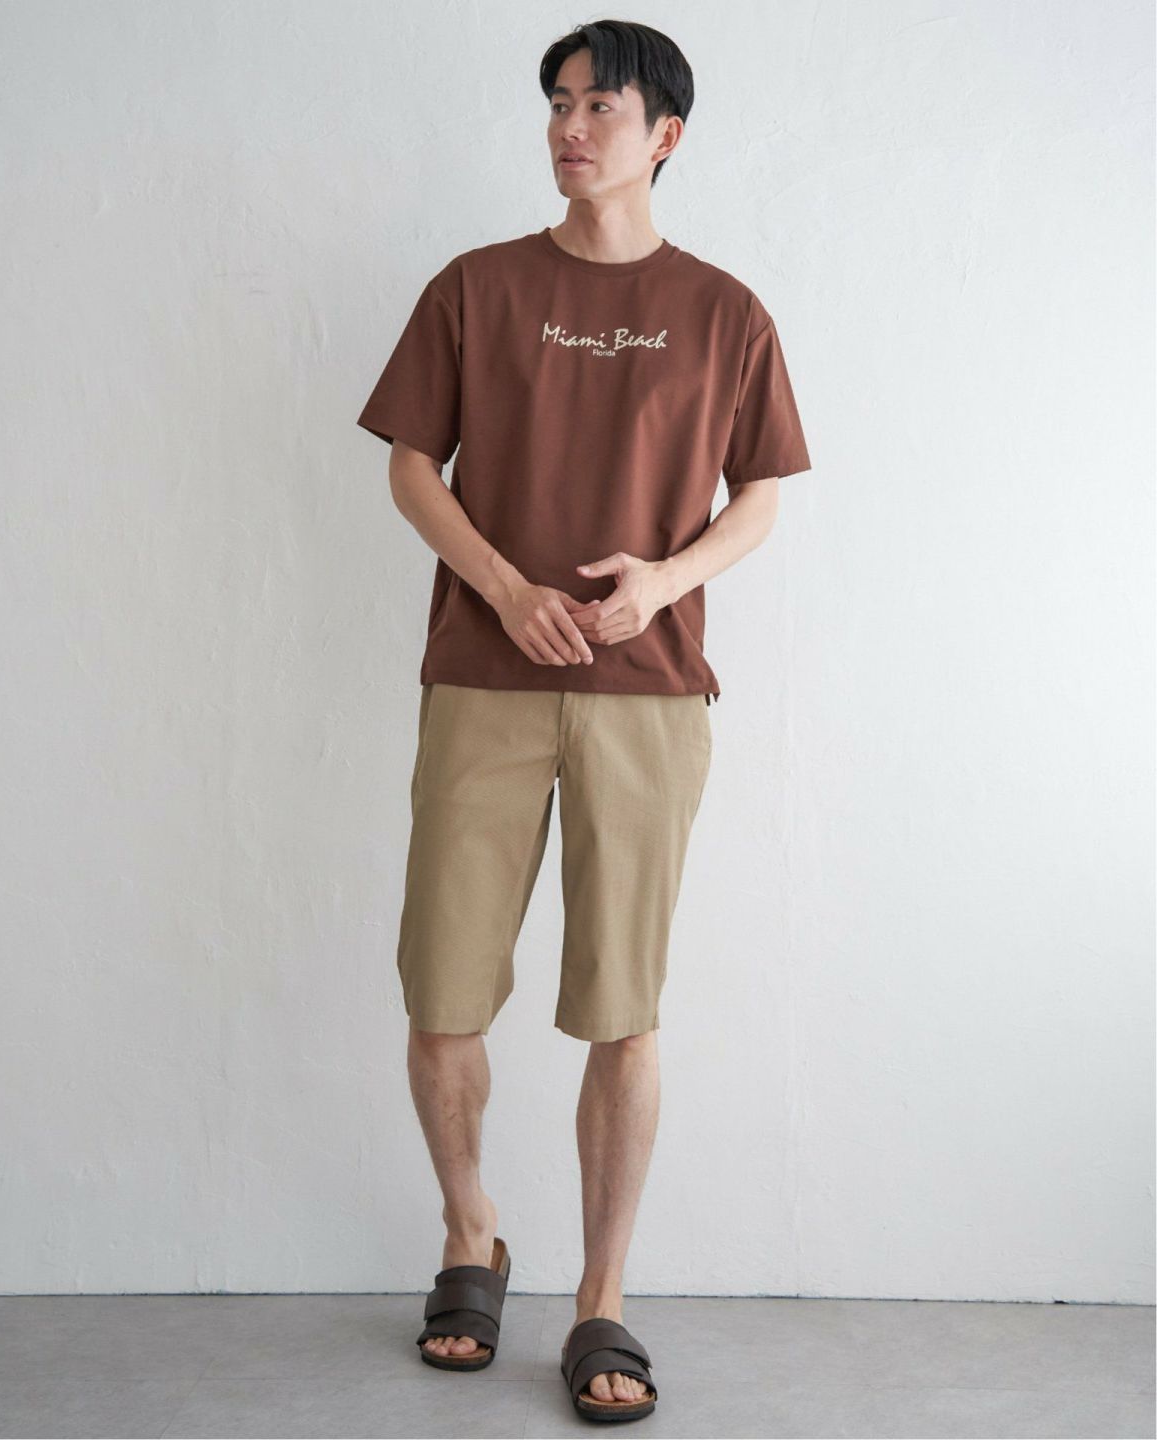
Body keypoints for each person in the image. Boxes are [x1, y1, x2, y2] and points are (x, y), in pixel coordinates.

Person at [356, 18, 811, 1423]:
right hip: (482, 682)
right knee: (442, 992)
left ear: (664, 134)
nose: (569, 126)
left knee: (624, 1006)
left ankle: (601, 1296)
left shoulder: (726, 313)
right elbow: (412, 467)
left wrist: (662, 581)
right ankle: (471, 1229)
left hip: (648, 695)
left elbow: (761, 497)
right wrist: (503, 589)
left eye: (599, 106)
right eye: (557, 102)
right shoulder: (476, 287)